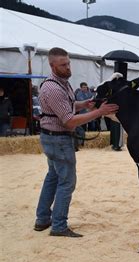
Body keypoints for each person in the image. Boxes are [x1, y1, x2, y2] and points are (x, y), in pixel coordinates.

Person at [34, 47, 119, 237]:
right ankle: (59, 226)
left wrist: (84, 104)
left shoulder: (60, 83)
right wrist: (98, 112)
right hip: (59, 139)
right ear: (52, 65)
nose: (67, 67)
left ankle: (42, 219)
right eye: (63, 65)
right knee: (67, 183)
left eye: (68, 63)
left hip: (52, 138)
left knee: (53, 178)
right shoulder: (54, 88)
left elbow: (66, 106)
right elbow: (69, 120)